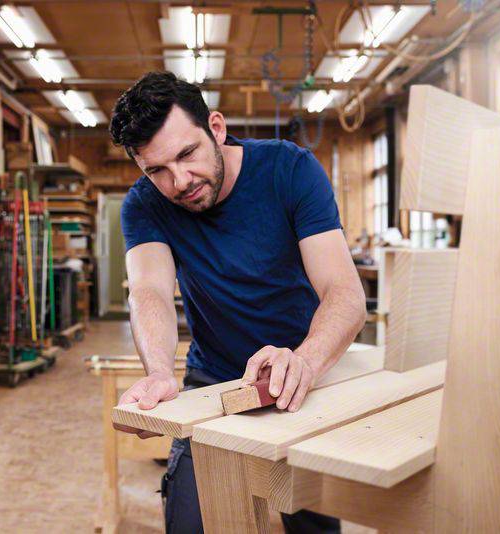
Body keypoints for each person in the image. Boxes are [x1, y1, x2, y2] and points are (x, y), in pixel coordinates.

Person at [109, 71, 367, 534]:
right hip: (212, 382)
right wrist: (160, 373)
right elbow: (148, 291)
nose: (179, 181)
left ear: (217, 128)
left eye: (187, 155)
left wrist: (304, 362)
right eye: (157, 170)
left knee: (312, 523)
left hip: (300, 377)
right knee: (189, 522)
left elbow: (345, 295)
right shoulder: (144, 204)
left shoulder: (290, 170)